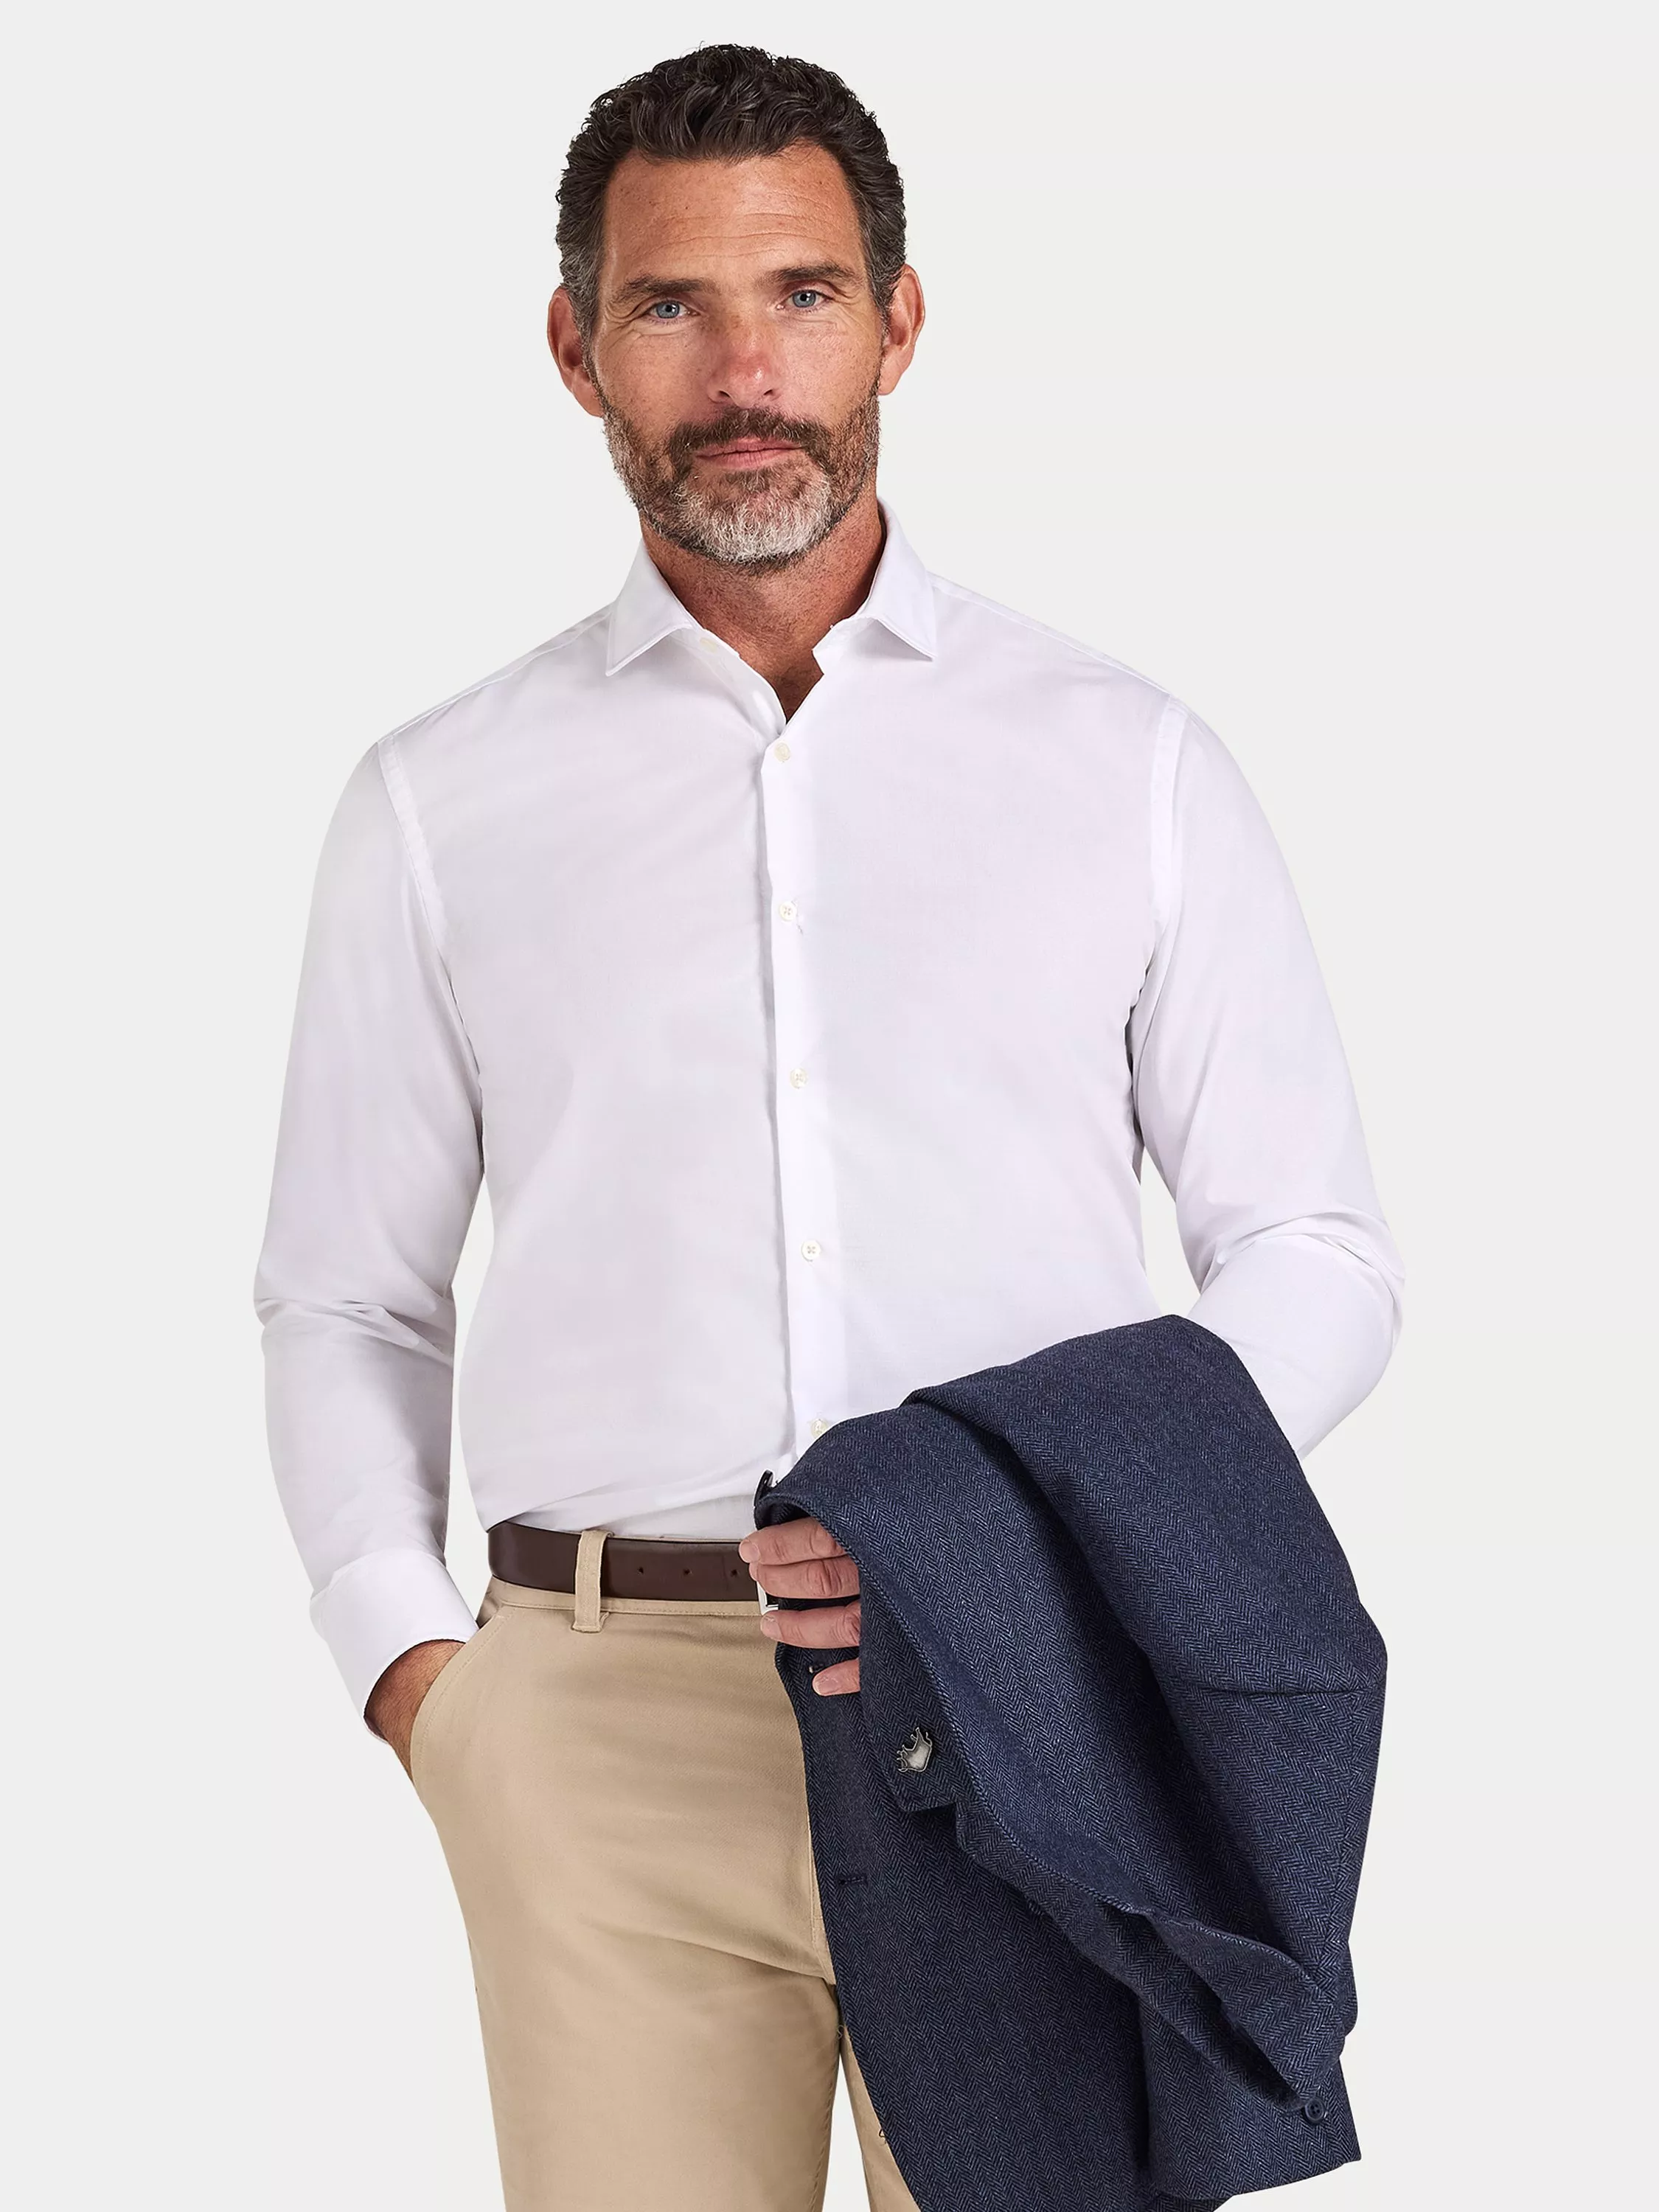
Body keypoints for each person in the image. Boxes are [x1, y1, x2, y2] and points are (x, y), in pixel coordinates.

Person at [253, 41, 1403, 2212]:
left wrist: (1027, 1522)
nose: (744, 374)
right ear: (578, 348)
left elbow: (1316, 1252)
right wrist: (415, 1674)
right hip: (596, 1739)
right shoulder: (439, 801)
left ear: (900, 319)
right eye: (671, 306)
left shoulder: (1128, 763)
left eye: (800, 292)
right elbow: (348, 1292)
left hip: (1025, 1697)